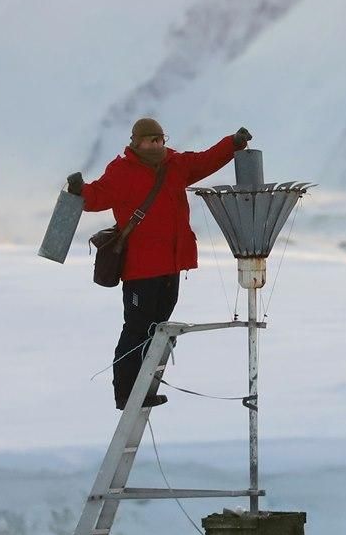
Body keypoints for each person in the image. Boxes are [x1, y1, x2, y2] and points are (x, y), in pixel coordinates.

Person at [69, 118, 251, 408]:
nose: (156, 145)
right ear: (136, 142)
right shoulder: (121, 171)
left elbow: (206, 160)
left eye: (160, 139)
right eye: (150, 140)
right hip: (140, 270)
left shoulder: (176, 165)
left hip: (170, 266)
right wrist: (80, 191)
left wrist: (233, 143)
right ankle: (126, 393)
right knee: (137, 329)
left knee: (158, 329)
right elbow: (96, 197)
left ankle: (144, 389)